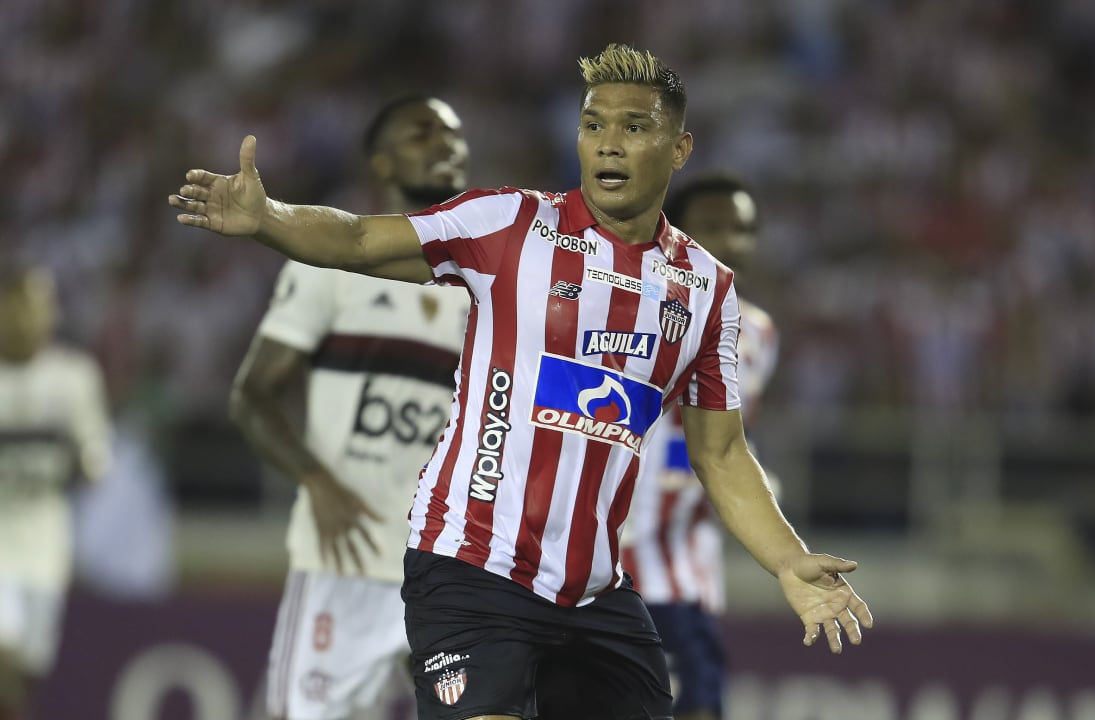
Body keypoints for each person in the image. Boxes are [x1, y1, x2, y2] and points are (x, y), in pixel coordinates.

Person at [171, 43, 872, 720]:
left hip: (595, 592)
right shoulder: (511, 224)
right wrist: (268, 220)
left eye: (634, 128)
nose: (608, 145)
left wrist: (787, 560)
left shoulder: (705, 291)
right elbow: (358, 238)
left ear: (678, 150)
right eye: (593, 125)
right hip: (471, 565)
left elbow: (720, 452)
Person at [227, 95, 473, 720]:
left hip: (454, 565)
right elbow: (253, 395)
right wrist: (316, 480)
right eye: (423, 133)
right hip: (351, 554)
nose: (445, 144)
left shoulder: (489, 288)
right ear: (381, 162)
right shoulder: (327, 267)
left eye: (453, 134)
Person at [619, 175, 778, 720]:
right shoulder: (630, 304)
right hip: (616, 560)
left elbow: (731, 436)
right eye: (712, 227)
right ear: (676, 230)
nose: (730, 242)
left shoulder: (758, 334)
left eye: (743, 229)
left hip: (690, 567)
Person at [0, 266, 112, 720]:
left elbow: (96, 461)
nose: (34, 317)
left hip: (46, 543)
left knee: (27, 669)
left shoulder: (74, 378)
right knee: (3, 651)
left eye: (43, 306)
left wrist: (86, 461)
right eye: (24, 305)